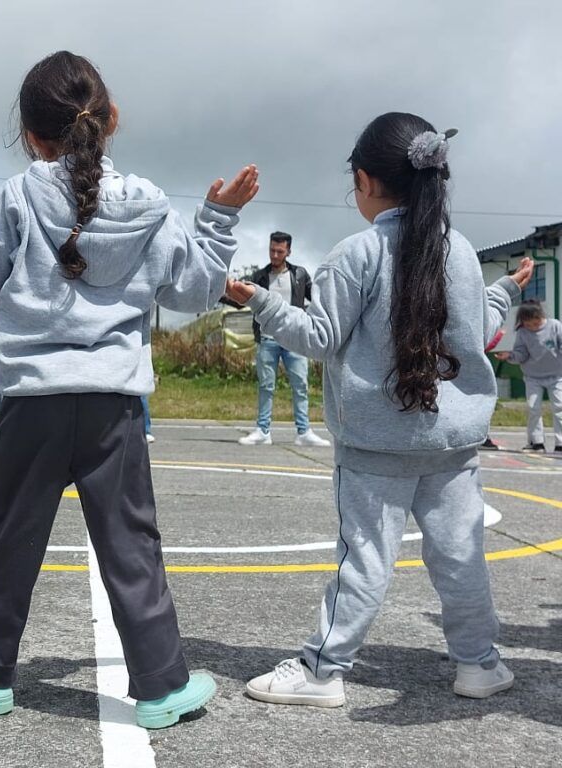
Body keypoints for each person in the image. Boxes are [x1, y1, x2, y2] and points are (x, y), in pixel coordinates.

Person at [0, 50, 259, 729]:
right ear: (111, 119)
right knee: (133, 545)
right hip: (114, 407)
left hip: (33, 401)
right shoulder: (149, 203)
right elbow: (194, 290)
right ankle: (162, 685)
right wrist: (217, 220)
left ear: (32, 135)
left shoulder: (20, 195)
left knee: (7, 542)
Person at [226, 113, 532, 707]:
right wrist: (509, 288)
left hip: (377, 448)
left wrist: (259, 300)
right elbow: (483, 325)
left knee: (364, 559)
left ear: (364, 181)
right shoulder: (462, 253)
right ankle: (479, 664)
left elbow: (318, 336)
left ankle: (323, 670)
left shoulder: (357, 253)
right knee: (460, 558)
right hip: (453, 446)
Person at [236, 232, 329, 447]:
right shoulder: (260, 276)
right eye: (272, 250)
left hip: (295, 339)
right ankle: (263, 430)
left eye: (280, 251)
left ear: (288, 251)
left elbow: (316, 299)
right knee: (266, 386)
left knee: (300, 385)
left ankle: (304, 432)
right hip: (267, 339)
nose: (275, 255)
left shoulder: (300, 275)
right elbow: (244, 300)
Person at [495, 300, 562, 452]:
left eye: (536, 323)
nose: (532, 327)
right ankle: (536, 441)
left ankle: (560, 443)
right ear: (522, 322)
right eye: (528, 324)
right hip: (533, 377)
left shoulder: (555, 326)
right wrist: (509, 356)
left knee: (560, 407)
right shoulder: (522, 333)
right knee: (533, 408)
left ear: (541, 316)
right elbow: (521, 354)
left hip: (557, 376)